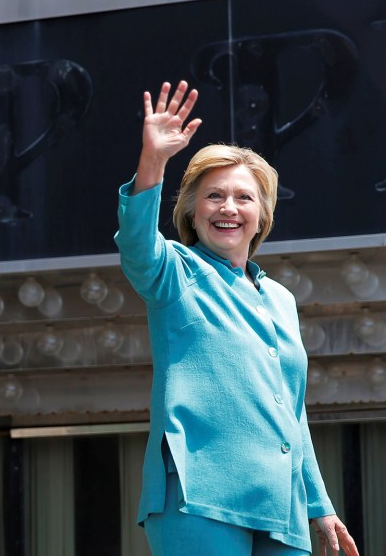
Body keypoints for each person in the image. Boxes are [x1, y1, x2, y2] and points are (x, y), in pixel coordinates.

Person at [114, 80, 360, 556]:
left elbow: (291, 411)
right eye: (214, 196)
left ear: (262, 215)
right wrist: (153, 161)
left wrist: (320, 504)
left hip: (283, 508)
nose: (228, 207)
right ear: (191, 211)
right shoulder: (176, 271)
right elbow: (138, 247)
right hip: (198, 498)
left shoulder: (281, 299)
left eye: (244, 197)